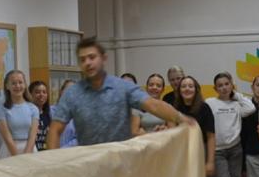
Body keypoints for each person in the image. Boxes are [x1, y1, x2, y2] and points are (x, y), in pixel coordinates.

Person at [49, 40, 185, 150]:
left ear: (103, 58)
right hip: (89, 162)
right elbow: (55, 130)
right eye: (82, 59)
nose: (88, 63)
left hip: (121, 161)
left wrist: (182, 118)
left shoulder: (123, 87)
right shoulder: (72, 94)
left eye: (92, 57)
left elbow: (153, 105)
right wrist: (53, 161)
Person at [0, 69, 41, 159]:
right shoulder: (1, 109)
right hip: (9, 152)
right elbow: (7, 137)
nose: (18, 86)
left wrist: (26, 155)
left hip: (30, 150)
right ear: (7, 86)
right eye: (13, 83)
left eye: (20, 82)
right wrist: (18, 158)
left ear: (25, 85)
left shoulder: (33, 108)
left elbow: (33, 136)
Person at [28, 80, 51, 151]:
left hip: (45, 153)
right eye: (37, 92)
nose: (41, 95)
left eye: (44, 92)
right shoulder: (27, 114)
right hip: (30, 151)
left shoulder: (48, 115)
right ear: (30, 94)